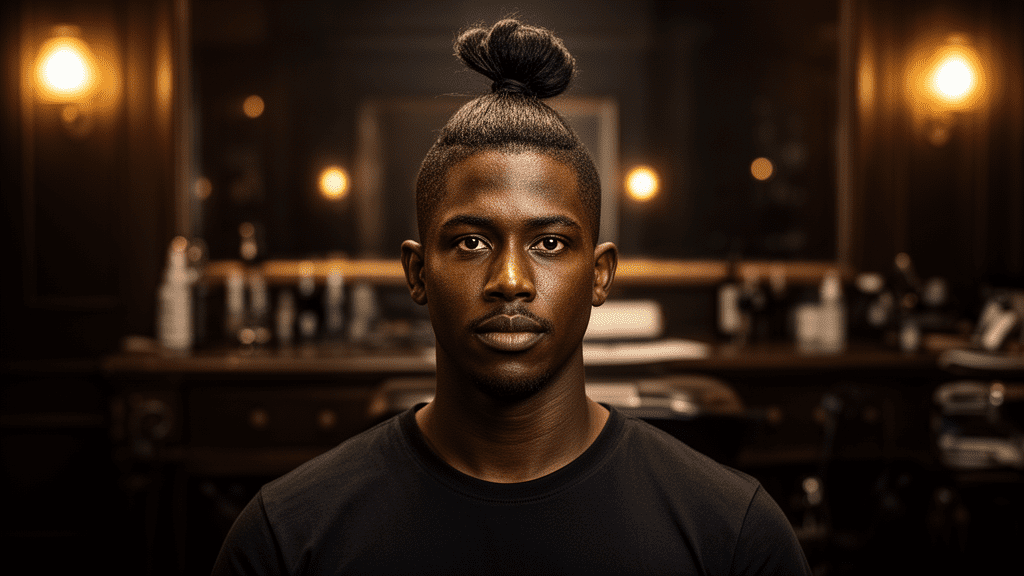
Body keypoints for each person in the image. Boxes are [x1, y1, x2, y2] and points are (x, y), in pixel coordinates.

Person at [212, 18, 811, 576]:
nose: (511, 279)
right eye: (471, 242)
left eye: (549, 243)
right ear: (417, 272)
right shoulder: (284, 541)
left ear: (600, 274)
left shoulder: (734, 536)